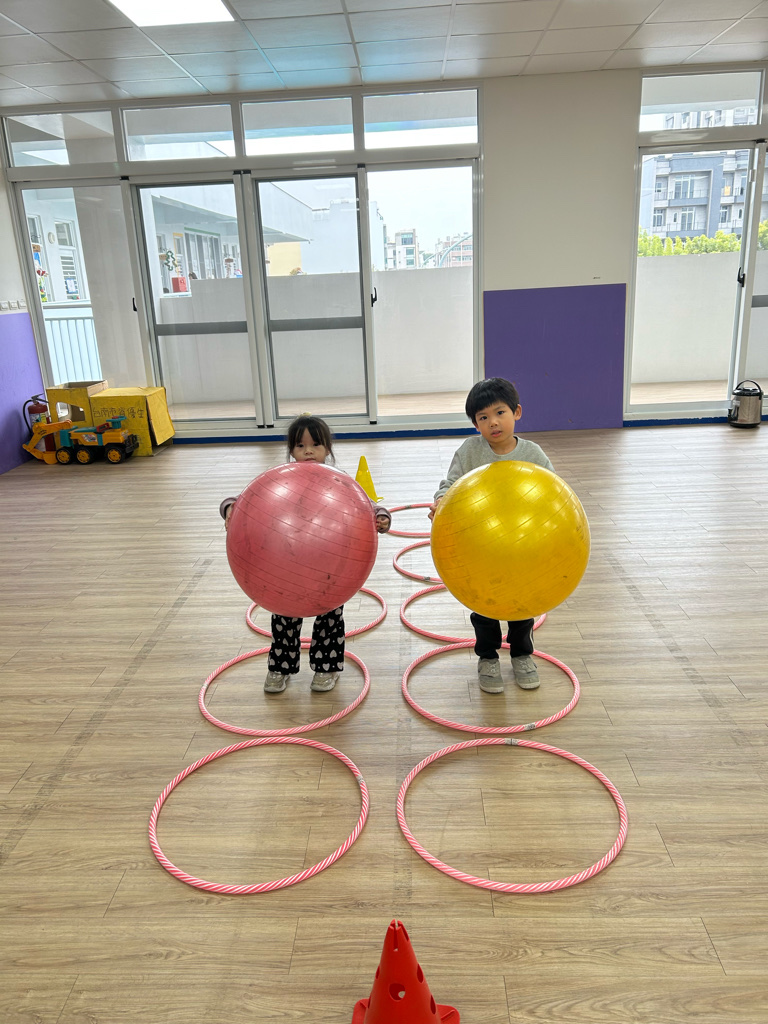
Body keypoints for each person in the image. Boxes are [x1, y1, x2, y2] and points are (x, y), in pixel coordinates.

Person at [221, 415, 391, 694]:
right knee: (283, 619)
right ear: (291, 450)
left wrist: (382, 517)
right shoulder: (280, 480)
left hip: (331, 571)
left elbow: (368, 505)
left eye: (315, 445)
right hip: (284, 569)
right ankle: (279, 668)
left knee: (330, 620)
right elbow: (244, 500)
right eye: (300, 446)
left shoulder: (340, 482)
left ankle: (326, 668)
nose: (308, 451)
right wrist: (230, 509)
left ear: (328, 449)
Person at [429, 378, 554, 695]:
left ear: (517, 412)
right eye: (483, 417)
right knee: (483, 606)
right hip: (480, 549)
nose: (493, 422)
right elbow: (450, 486)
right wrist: (442, 504)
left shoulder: (532, 454)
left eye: (500, 413)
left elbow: (553, 492)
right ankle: (487, 658)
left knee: (522, 607)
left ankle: (522, 655)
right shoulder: (470, 452)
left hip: (522, 548)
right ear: (475, 424)